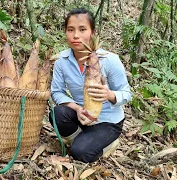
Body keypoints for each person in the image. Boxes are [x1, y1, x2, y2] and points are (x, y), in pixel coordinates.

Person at [49, 8, 132, 163]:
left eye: (82, 29)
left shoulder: (109, 60)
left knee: (81, 154)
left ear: (93, 33)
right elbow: (57, 92)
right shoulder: (62, 60)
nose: (75, 35)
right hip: (82, 115)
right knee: (57, 114)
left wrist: (110, 95)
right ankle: (83, 140)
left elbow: (126, 93)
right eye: (70, 29)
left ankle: (104, 143)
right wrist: (77, 108)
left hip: (108, 121)